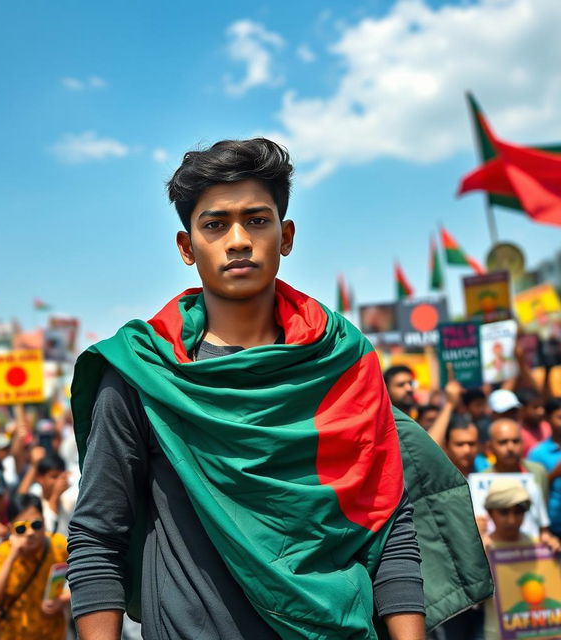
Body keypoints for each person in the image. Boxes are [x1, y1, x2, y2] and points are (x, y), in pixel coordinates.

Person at [67, 138, 491, 640]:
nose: (239, 239)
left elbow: (387, 525)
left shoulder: (342, 364)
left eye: (257, 220)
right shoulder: (144, 374)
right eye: (215, 224)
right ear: (187, 247)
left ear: (285, 236)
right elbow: (97, 536)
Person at [0, 493, 70, 640]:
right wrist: (12, 556)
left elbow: (89, 573)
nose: (30, 533)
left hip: (53, 634)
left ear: (44, 521)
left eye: (36, 525)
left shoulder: (59, 545)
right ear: (10, 529)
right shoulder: (1, 554)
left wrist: (65, 599)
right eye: (21, 528)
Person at [481, 418, 558, 548]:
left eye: (515, 441)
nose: (510, 448)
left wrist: (546, 537)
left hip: (529, 551)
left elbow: (540, 515)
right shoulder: (482, 479)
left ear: (523, 443)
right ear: (490, 446)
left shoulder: (537, 472)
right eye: (503, 442)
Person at [482, 477, 534, 640]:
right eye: (504, 512)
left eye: (518, 512)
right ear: (490, 513)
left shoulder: (537, 547)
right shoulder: (483, 549)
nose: (512, 520)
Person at [528, 398, 561, 537]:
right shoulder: (538, 453)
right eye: (559, 417)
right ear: (547, 419)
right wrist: (555, 473)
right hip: (553, 527)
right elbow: (532, 490)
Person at [516, 388, 551, 455]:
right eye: (535, 407)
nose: (541, 411)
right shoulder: (516, 432)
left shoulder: (548, 427)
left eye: (542, 406)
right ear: (522, 410)